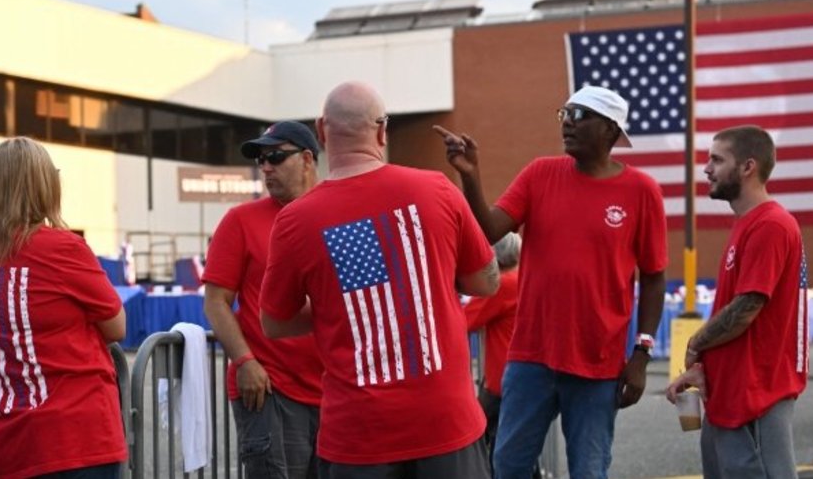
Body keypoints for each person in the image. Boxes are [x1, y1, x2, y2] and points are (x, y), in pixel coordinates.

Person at [259, 81, 500, 479]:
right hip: (446, 423)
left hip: (359, 435)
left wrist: (332, 306)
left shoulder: (297, 220)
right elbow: (485, 282)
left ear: (321, 131)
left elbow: (274, 322)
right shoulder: (436, 188)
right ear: (383, 132)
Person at [434, 85, 668, 479]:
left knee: (589, 470)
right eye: (565, 114)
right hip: (531, 357)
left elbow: (656, 277)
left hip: (598, 362)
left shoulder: (642, 191)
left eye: (580, 116)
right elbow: (490, 230)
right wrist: (471, 177)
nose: (568, 125)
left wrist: (641, 356)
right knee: (508, 466)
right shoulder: (540, 173)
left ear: (611, 131)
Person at [0, 137, 127, 479]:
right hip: (79, 440)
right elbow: (117, 326)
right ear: (44, 185)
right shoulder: (62, 247)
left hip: (8, 444)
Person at [667, 125, 808, 479]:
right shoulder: (746, 225)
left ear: (748, 167)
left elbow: (747, 308)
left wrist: (696, 342)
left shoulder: (770, 225)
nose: (707, 168)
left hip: (755, 397)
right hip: (729, 396)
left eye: (717, 159)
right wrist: (704, 366)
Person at [202, 121, 324, 478]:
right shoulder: (240, 220)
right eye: (261, 159)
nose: (266, 167)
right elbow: (215, 301)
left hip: (336, 391)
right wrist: (244, 361)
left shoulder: (336, 213)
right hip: (270, 391)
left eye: (275, 156)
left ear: (306, 159)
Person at [463, 233, 535, 475]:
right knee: (520, 449)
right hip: (525, 376)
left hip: (501, 380)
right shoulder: (525, 279)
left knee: (482, 444)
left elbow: (464, 320)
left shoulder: (502, 286)